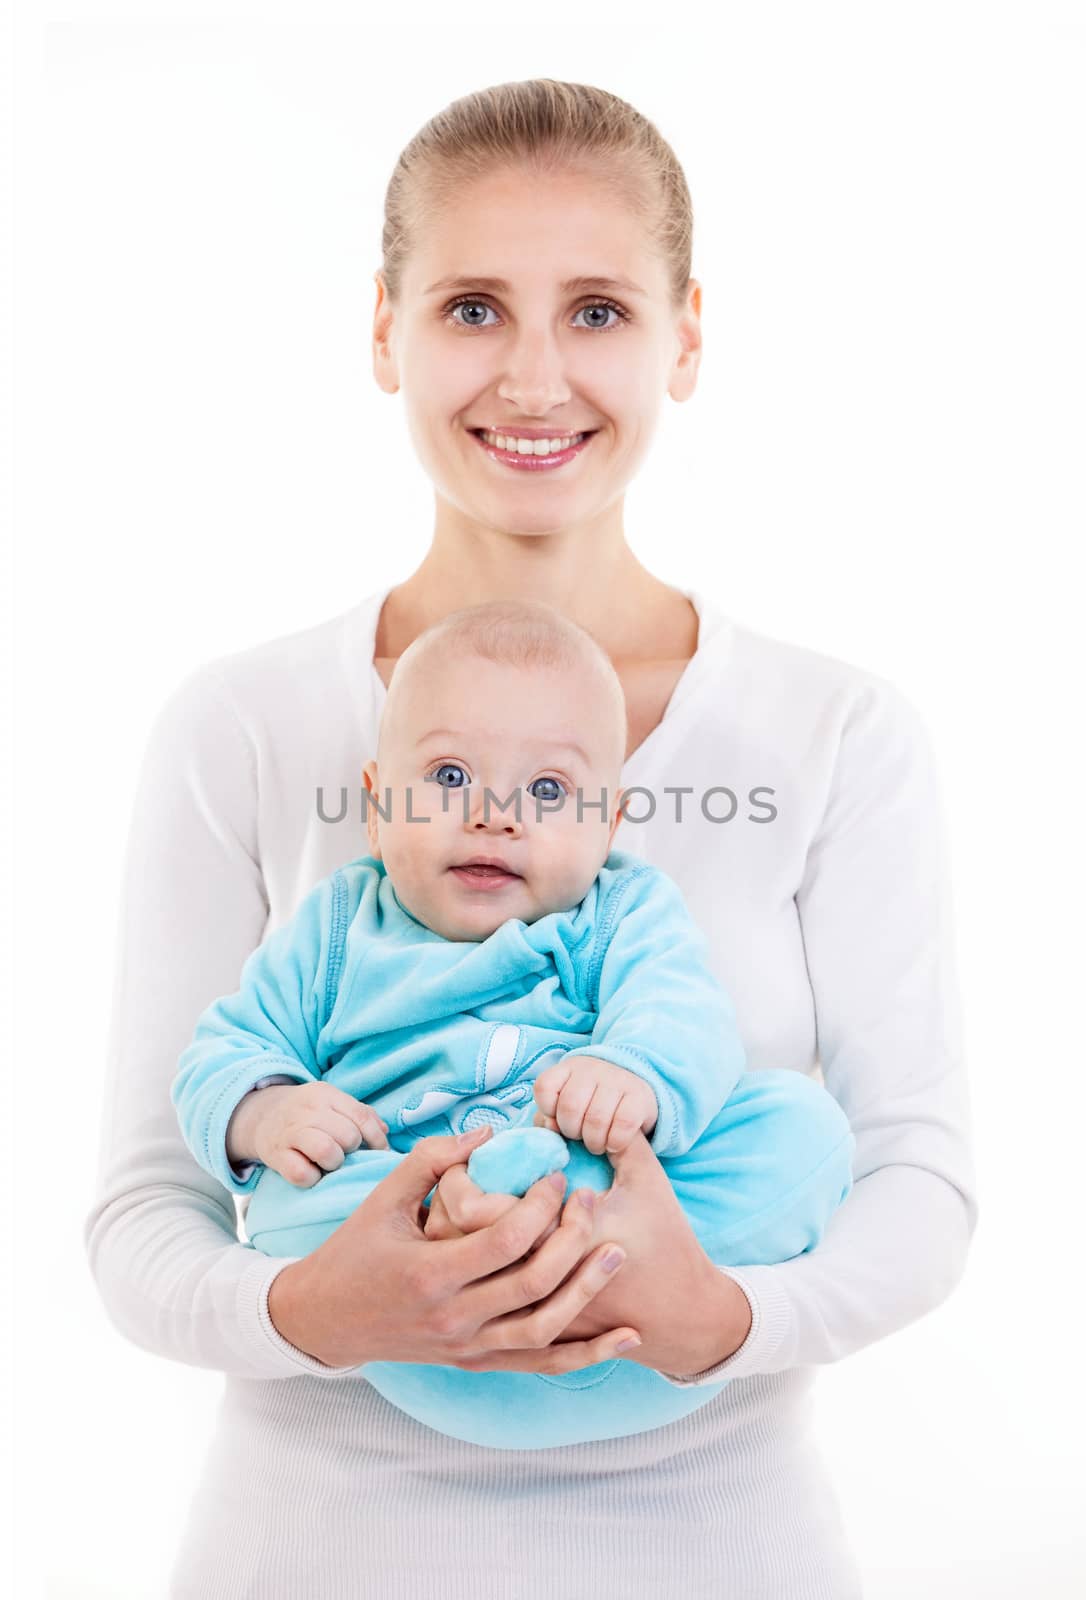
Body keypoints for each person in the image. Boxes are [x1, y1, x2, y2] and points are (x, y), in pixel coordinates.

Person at [83, 78, 978, 1599]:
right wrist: (319, 1305)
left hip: (720, 1546)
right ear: (384, 331)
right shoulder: (239, 725)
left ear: (687, 335)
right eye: (476, 307)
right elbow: (141, 1213)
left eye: (601, 313)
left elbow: (915, 1182)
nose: (537, 378)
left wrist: (721, 1322)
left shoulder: (834, 735)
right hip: (313, 1552)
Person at [170, 600, 856, 1451]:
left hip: (616, 1229)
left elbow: (685, 1013)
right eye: (451, 777)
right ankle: (473, 1248)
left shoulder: (621, 911)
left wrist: (633, 1071)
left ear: (608, 823)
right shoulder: (341, 926)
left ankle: (582, 1258)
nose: (497, 814)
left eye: (547, 789)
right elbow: (228, 1048)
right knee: (282, 1194)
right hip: (415, 1250)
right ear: (377, 807)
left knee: (803, 1126)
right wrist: (265, 1111)